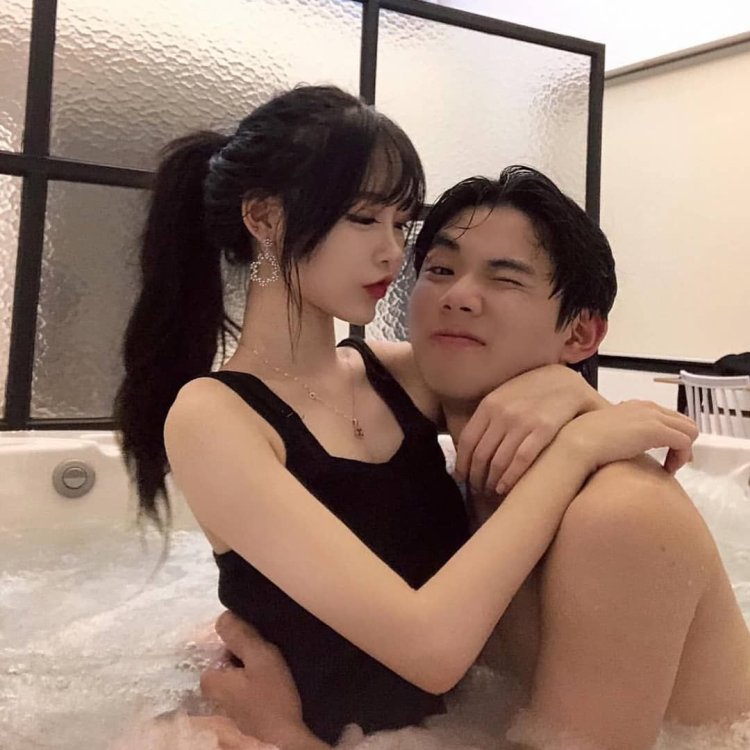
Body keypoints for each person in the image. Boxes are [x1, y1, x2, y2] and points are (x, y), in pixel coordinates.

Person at [114, 87, 698, 749]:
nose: (393, 252)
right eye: (365, 219)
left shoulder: (400, 376)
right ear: (265, 217)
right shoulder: (214, 416)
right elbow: (431, 649)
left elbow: (521, 372)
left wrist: (569, 391)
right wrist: (574, 450)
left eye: (400, 224)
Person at [198, 168, 750, 750]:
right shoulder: (465, 479)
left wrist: (285, 736)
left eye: (505, 279)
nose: (458, 296)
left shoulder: (619, 514)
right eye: (440, 269)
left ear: (581, 335)